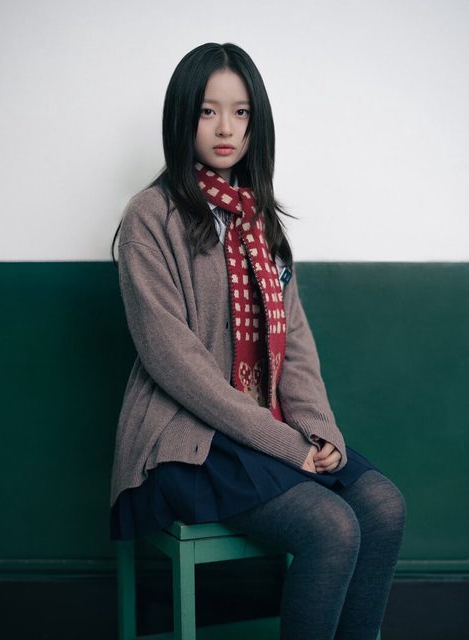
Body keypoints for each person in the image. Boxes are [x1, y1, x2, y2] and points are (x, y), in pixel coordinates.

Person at [110, 42, 405, 640]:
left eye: (240, 112)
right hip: (184, 441)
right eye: (208, 110)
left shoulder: (260, 219)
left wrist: (319, 431)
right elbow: (173, 360)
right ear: (181, 117)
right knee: (330, 527)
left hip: (265, 429)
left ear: (256, 123)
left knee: (382, 506)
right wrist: (283, 442)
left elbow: (294, 342)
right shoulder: (150, 216)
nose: (225, 128)